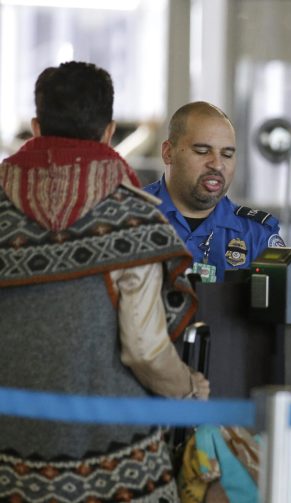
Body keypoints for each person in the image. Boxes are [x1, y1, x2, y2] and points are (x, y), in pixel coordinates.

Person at [0, 61, 210, 501]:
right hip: (117, 469)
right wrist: (188, 388)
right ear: (109, 131)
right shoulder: (135, 218)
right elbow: (145, 351)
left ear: (36, 127)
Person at [145, 101, 285, 283]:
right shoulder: (131, 218)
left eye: (227, 154)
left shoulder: (255, 235)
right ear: (168, 152)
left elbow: (281, 308)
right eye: (202, 151)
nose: (217, 164)